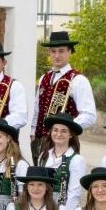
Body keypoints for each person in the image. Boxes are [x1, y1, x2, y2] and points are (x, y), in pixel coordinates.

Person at [31, 31, 96, 160]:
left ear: (70, 52)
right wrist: (32, 134)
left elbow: (90, 115)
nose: (57, 55)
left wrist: (67, 128)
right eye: (53, 51)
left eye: (61, 51)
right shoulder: (44, 78)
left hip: (64, 142)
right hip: (40, 141)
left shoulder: (78, 80)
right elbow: (37, 111)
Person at [35, 113, 86, 210]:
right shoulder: (43, 156)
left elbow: (74, 194)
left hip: (61, 209)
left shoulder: (76, 160)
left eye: (64, 131)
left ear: (71, 135)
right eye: (55, 130)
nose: (58, 134)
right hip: (40, 207)